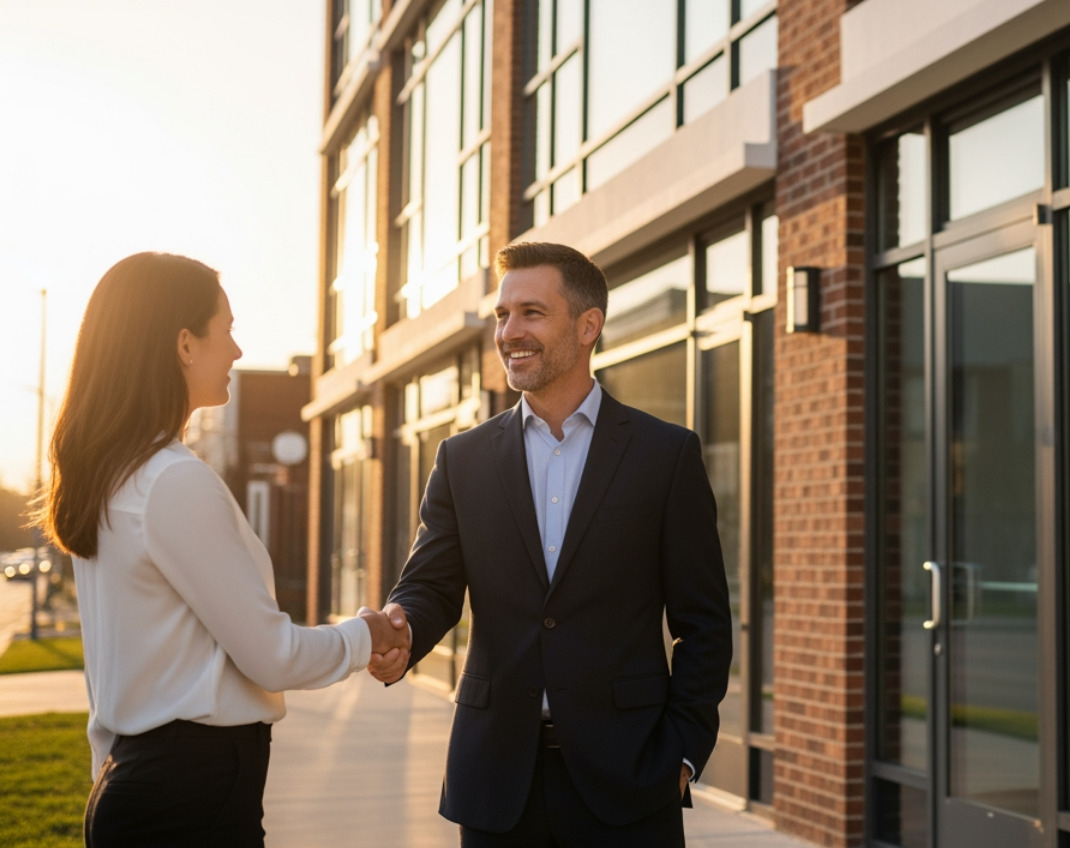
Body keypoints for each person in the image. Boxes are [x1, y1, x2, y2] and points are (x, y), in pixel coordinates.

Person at [35, 252, 409, 848]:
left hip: (149, 789)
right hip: (190, 801)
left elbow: (112, 684)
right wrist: (366, 634)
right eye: (227, 330)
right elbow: (272, 656)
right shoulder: (172, 480)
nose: (236, 350)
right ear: (185, 344)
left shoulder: (116, 476)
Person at [368, 241, 732, 847]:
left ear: (588, 326)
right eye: (502, 316)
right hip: (496, 781)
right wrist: (401, 634)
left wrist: (684, 753)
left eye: (531, 313)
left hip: (632, 780)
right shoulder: (463, 459)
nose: (510, 331)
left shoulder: (665, 455)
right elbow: (429, 585)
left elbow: (705, 623)